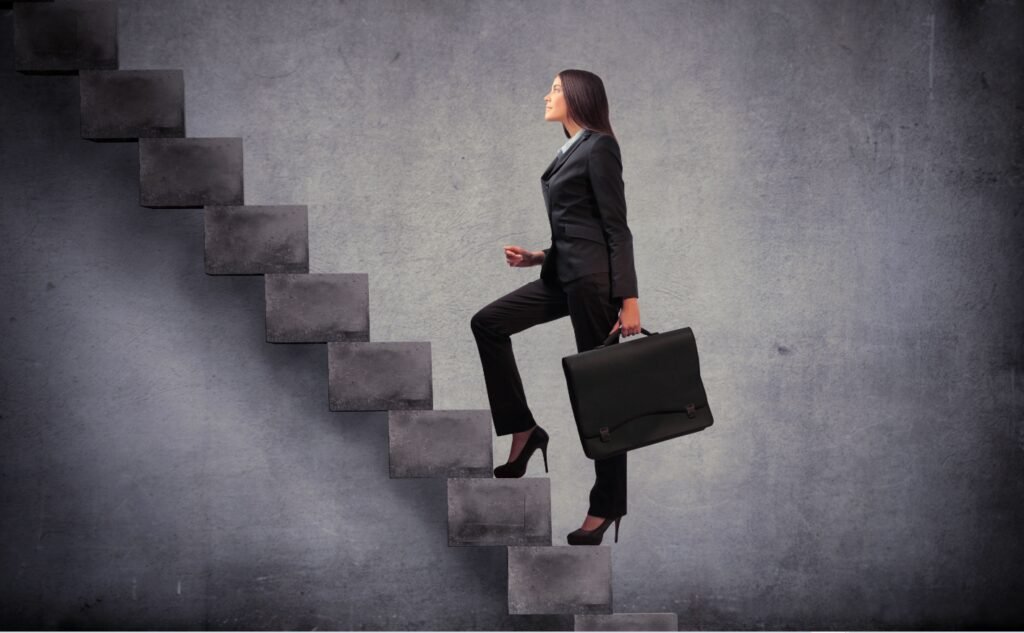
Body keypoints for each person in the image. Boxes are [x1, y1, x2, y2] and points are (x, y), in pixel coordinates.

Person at [470, 69, 640, 546]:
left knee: (598, 393)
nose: (548, 95)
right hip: (564, 276)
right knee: (487, 324)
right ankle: (524, 429)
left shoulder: (600, 146)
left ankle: (607, 504)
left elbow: (615, 229)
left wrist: (629, 300)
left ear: (580, 98)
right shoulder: (570, 151)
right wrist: (540, 257)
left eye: (557, 90)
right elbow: (577, 228)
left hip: (593, 286)